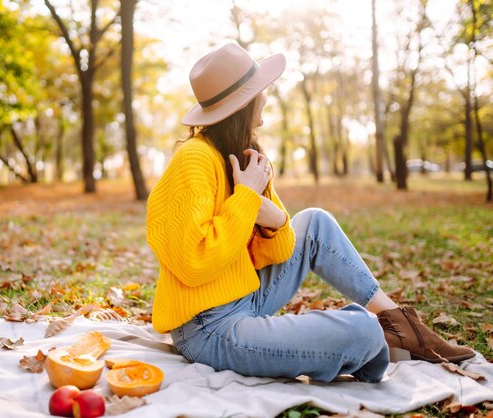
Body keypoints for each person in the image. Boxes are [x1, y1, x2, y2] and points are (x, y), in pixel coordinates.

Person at [146, 43, 475, 383]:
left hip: (244, 296)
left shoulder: (246, 156)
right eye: (261, 91)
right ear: (245, 102)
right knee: (362, 331)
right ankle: (371, 336)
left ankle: (401, 324)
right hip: (208, 327)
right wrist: (245, 198)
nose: (267, 97)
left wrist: (272, 219)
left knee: (315, 220)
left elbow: (279, 251)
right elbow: (193, 262)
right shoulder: (194, 160)